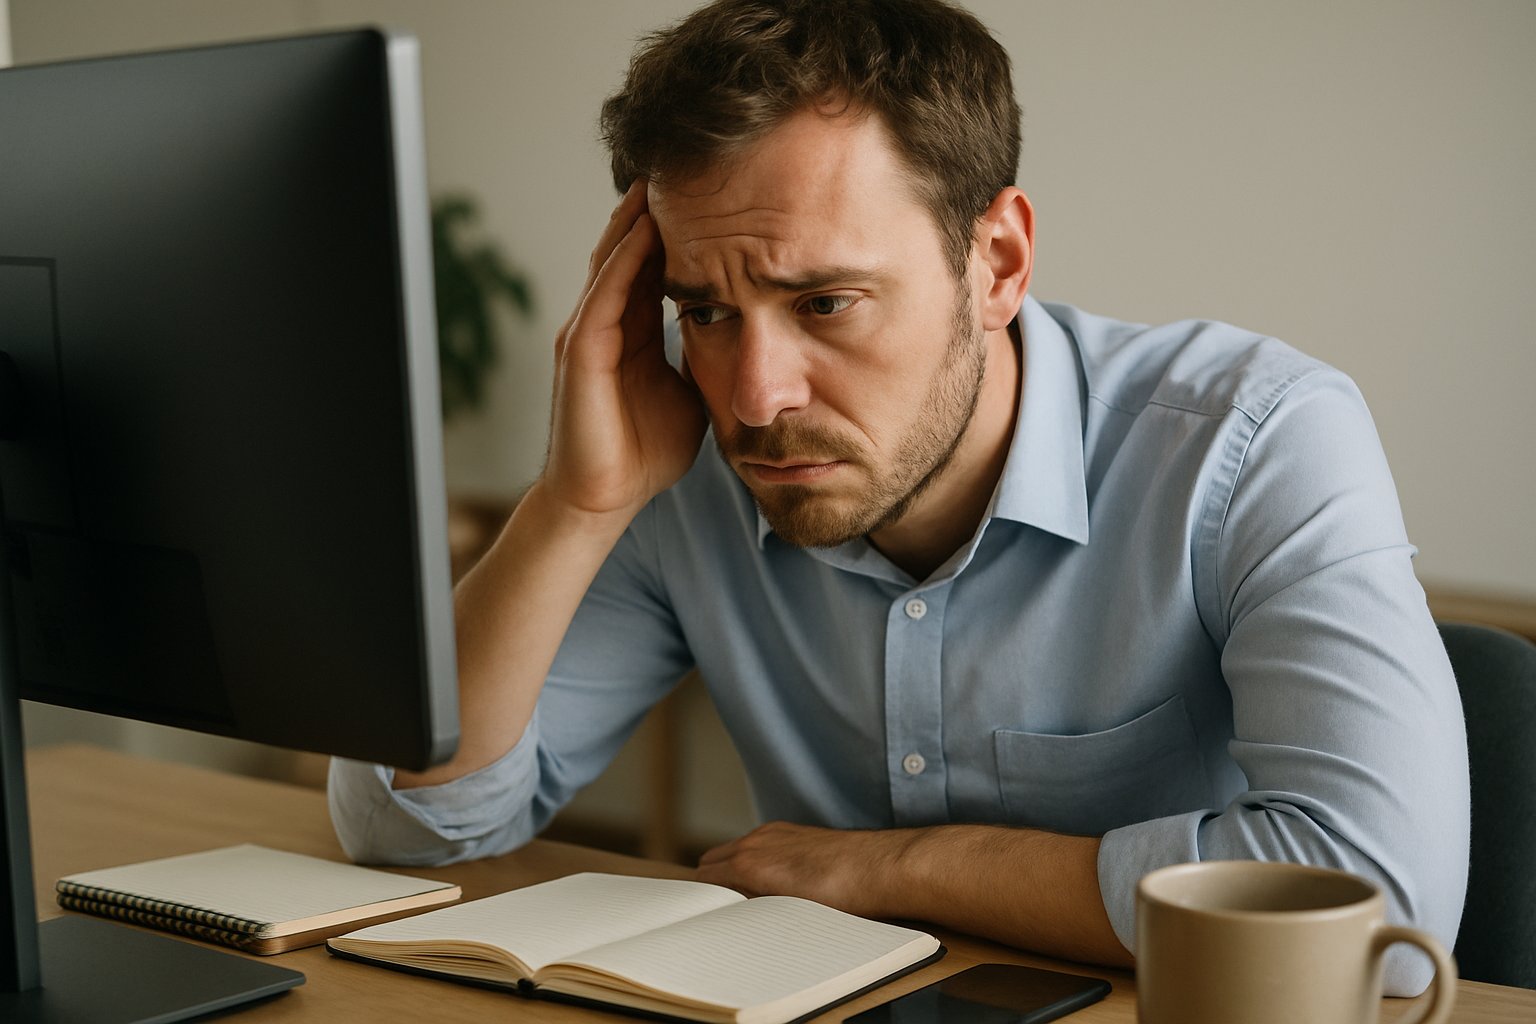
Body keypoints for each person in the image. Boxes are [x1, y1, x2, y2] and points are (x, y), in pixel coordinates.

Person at [330, 0, 1468, 994]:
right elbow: (403, 822)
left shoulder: (1257, 443)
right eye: (708, 313)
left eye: (825, 302)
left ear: (999, 265)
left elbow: (1380, 906)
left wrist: (891, 867)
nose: (757, 398)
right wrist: (575, 506)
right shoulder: (685, 467)